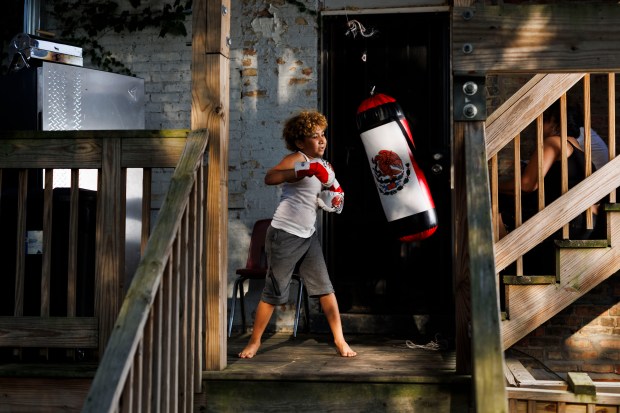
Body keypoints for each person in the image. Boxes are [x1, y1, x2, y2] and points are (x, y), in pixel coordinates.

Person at [238, 110, 356, 359]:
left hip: (307, 236)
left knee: (325, 288)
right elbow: (270, 177)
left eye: (323, 134)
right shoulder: (296, 158)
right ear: (301, 142)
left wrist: (335, 199)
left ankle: (340, 341)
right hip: (284, 234)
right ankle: (254, 342)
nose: (322, 139)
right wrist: (302, 170)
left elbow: (336, 192)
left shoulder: (325, 165)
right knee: (274, 292)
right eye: (315, 136)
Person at [498, 101, 603, 273]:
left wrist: (493, 187)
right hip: (585, 223)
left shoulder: (554, 142)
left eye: (543, 120)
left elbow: (528, 184)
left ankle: (506, 278)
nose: (538, 126)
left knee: (495, 220)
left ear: (555, 123)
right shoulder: (580, 150)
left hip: (569, 222)